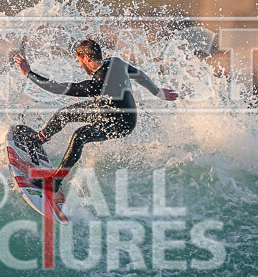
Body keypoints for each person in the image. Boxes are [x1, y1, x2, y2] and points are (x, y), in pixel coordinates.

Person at [13, 39, 178, 191]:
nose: (80, 65)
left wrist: (29, 74)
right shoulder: (116, 62)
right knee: (65, 113)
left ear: (86, 57)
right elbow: (138, 74)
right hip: (105, 108)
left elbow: (58, 88)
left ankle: (55, 181)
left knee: (79, 136)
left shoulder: (97, 84)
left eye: (79, 61)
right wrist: (157, 92)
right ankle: (37, 141)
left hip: (122, 122)